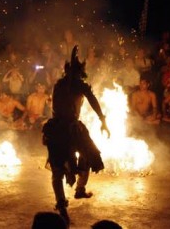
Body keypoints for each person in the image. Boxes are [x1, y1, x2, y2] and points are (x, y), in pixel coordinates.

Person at [42, 45, 110, 224]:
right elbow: (92, 101)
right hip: (64, 129)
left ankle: (78, 190)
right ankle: (63, 204)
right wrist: (103, 121)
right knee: (59, 167)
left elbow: (93, 100)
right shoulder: (72, 85)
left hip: (61, 129)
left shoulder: (63, 84)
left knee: (88, 155)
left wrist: (103, 120)